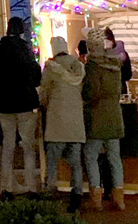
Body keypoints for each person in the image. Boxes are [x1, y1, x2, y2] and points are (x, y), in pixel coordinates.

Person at [0, 17, 42, 200]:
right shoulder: (25, 50)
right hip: (24, 104)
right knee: (28, 147)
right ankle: (31, 187)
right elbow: (36, 76)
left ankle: (6, 188)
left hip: (4, 106)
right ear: (21, 30)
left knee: (7, 147)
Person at [40, 37, 86, 213]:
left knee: (52, 160)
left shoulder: (51, 68)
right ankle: (77, 194)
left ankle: (50, 192)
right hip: (75, 121)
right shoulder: (78, 66)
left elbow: (44, 93)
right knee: (75, 162)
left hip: (57, 121)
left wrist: (45, 104)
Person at [82, 28, 126, 211]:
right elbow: (117, 91)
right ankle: (119, 198)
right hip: (114, 115)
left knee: (91, 155)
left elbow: (90, 93)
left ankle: (97, 197)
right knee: (115, 158)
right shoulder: (115, 65)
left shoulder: (92, 66)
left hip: (97, 117)